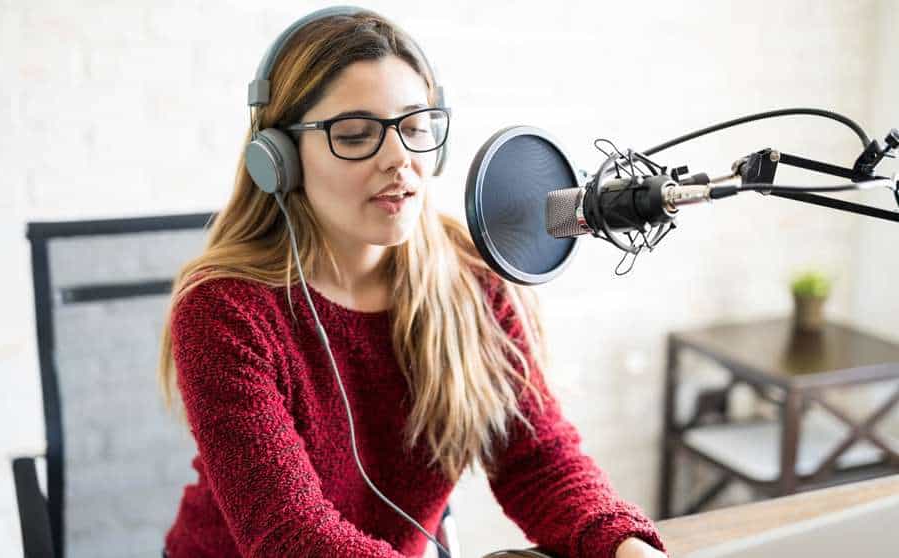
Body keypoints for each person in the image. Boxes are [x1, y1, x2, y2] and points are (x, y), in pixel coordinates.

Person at [156, 8, 668, 558]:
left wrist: (626, 547)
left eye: (416, 127)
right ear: (279, 159)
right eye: (355, 135)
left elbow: (535, 459)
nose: (400, 159)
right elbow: (292, 537)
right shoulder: (224, 310)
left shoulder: (470, 279)